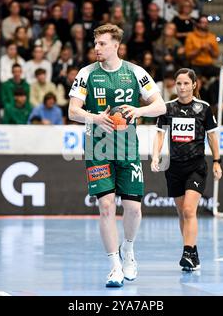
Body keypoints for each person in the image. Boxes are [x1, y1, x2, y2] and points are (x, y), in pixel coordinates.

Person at [68, 24, 166, 287]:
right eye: (95, 43)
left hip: (127, 148)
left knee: (133, 209)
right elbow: (72, 111)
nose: (96, 48)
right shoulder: (86, 74)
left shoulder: (136, 72)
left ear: (115, 46)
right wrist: (95, 118)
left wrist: (137, 110)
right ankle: (114, 266)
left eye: (101, 43)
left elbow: (159, 106)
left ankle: (129, 250)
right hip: (97, 149)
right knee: (106, 205)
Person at [151, 68, 222, 272]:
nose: (182, 87)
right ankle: (192, 251)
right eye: (178, 83)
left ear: (194, 85)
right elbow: (159, 135)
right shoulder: (167, 108)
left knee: (190, 210)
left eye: (185, 83)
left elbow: (212, 137)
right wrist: (156, 155)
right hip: (174, 168)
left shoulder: (204, 108)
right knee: (182, 213)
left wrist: (217, 161)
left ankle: (187, 253)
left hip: (196, 166)